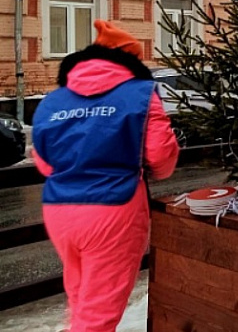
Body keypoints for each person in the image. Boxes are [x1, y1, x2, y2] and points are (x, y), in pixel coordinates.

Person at [32, 20, 180, 332]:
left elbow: (45, 163)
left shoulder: (54, 99)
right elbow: (161, 158)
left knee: (81, 296)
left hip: (59, 212)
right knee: (98, 316)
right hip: (114, 210)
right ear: (129, 60)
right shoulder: (141, 94)